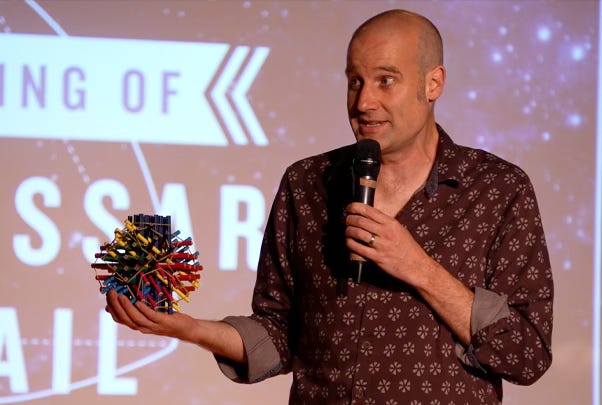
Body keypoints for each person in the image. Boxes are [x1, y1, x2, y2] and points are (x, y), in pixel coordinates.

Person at [106, 9, 553, 404]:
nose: (363, 102)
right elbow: (279, 334)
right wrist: (185, 328)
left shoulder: (497, 189)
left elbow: (526, 353)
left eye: (386, 80)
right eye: (354, 81)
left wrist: (415, 264)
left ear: (433, 82)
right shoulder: (307, 184)